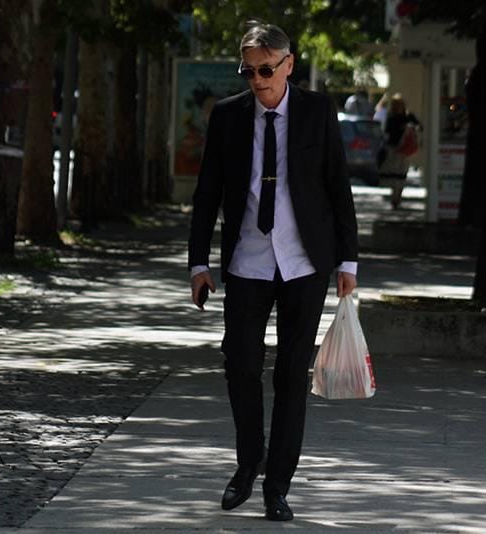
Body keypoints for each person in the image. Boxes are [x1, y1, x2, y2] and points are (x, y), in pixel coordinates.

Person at [188, 22, 358, 522]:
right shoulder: (228, 116)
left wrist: (348, 261)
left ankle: (277, 487)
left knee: (290, 374)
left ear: (288, 65)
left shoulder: (316, 111)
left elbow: (338, 186)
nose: (257, 80)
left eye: (266, 70)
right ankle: (249, 462)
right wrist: (198, 263)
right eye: (248, 71)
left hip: (304, 262)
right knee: (241, 364)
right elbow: (207, 193)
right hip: (248, 261)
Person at [379, 93, 420, 209]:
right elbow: (387, 131)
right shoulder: (392, 117)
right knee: (396, 174)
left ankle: (397, 197)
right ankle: (395, 197)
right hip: (395, 149)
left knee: (401, 173)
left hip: (403, 149)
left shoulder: (408, 116)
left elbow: (420, 126)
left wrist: (410, 127)